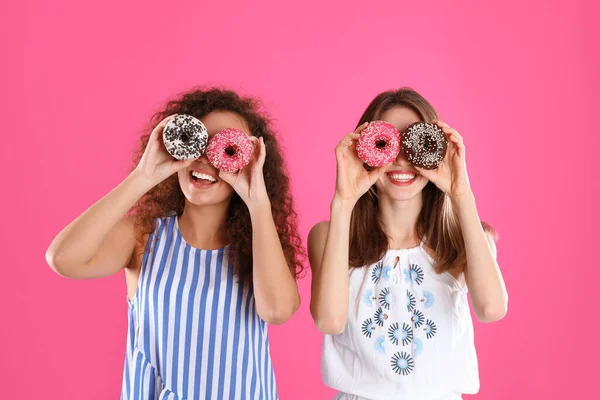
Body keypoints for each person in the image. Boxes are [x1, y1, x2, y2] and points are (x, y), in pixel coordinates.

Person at [46, 88, 304, 399]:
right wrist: (143, 176)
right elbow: (63, 259)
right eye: (196, 141)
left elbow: (277, 310)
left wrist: (258, 202)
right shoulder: (142, 237)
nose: (206, 159)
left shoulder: (257, 248)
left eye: (226, 148)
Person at [308, 88, 508, 400]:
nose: (401, 159)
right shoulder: (330, 235)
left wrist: (461, 193)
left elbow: (492, 309)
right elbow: (330, 321)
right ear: (364, 151)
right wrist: (344, 201)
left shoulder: (465, 239)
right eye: (385, 144)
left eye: (417, 144)